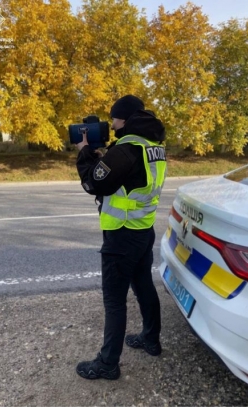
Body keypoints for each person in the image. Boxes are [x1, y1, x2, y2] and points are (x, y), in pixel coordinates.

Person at [75, 95, 167, 380]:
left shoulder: (126, 148)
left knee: (114, 301)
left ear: (124, 120)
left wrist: (84, 152)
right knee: (143, 286)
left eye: (113, 118)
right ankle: (151, 340)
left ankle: (107, 363)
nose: (110, 123)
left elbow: (93, 182)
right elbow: (128, 177)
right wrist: (104, 156)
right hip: (142, 231)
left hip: (122, 236)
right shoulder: (152, 145)